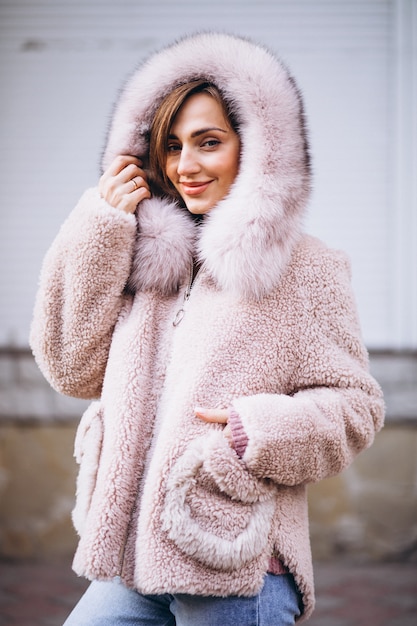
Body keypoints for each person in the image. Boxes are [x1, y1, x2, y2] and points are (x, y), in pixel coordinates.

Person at [30, 32, 385, 625]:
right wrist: (98, 227)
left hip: (234, 560)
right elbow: (70, 366)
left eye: (209, 142)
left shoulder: (307, 267)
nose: (185, 166)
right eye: (170, 147)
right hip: (131, 564)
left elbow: (357, 407)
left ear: (260, 151)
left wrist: (256, 431)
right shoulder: (146, 264)